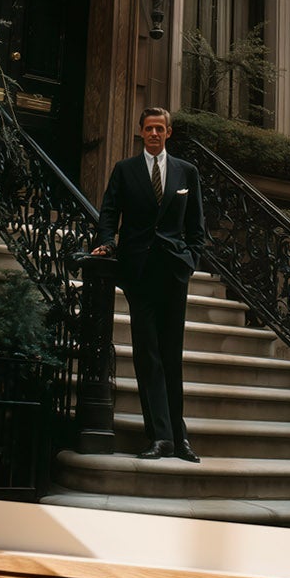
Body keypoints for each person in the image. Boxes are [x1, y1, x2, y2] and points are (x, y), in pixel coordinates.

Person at [91, 105, 206, 462]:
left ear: (168, 132)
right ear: (140, 132)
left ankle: (180, 436)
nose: (154, 134)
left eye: (160, 129)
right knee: (148, 355)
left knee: (172, 355)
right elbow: (109, 212)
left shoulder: (187, 172)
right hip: (139, 272)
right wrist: (108, 242)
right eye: (149, 129)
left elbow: (196, 226)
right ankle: (160, 438)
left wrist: (190, 259)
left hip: (174, 272)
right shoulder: (125, 171)